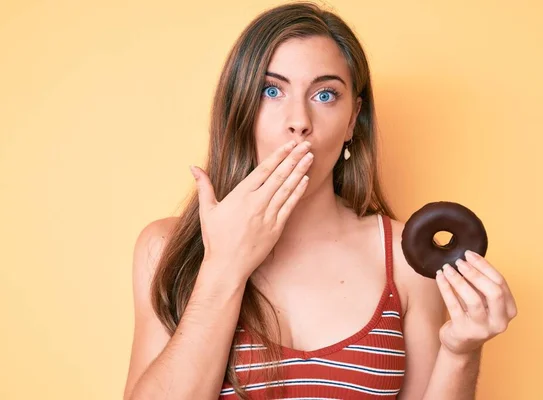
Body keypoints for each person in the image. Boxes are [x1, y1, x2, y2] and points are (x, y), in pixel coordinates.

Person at [123, 2, 517, 399]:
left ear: (352, 120)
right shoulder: (164, 250)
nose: (299, 121)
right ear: (239, 108)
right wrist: (223, 269)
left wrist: (460, 353)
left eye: (325, 94)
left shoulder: (404, 261)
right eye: (271, 90)